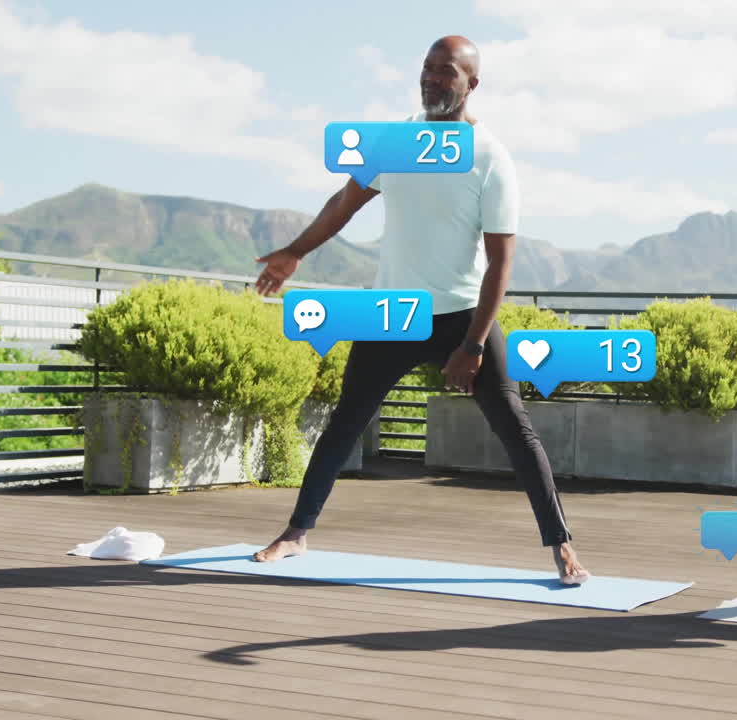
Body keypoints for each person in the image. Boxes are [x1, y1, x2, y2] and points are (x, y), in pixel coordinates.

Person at [249, 35, 591, 586]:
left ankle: (562, 547)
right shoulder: (394, 142)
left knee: (517, 431)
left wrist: (473, 344)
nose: (432, 79)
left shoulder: (490, 158)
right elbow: (343, 202)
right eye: (427, 69)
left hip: (462, 316)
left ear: (471, 84)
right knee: (345, 425)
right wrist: (295, 251)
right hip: (393, 315)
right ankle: (295, 533)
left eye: (446, 71)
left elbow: (502, 263)